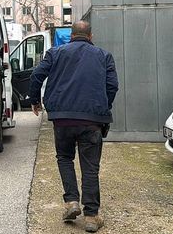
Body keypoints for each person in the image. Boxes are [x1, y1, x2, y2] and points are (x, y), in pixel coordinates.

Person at [29, 20, 118, 233]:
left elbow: (36, 76)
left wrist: (35, 101)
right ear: (90, 36)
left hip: (63, 119)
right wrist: (103, 107)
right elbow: (112, 86)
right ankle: (91, 216)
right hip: (92, 120)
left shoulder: (55, 53)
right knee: (90, 167)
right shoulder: (104, 56)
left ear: (71, 35)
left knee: (64, 158)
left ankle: (71, 202)